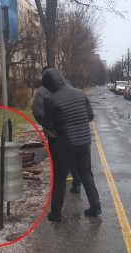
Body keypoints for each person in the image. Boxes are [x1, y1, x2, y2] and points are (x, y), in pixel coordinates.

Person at [42, 68, 101, 222]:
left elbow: (49, 124)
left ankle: (56, 214)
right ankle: (95, 206)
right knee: (86, 173)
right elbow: (90, 115)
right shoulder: (80, 93)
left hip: (65, 143)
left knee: (59, 177)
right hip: (84, 141)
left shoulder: (50, 99)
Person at [31, 67, 82, 194]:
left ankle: (60, 188)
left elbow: (37, 110)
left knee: (57, 161)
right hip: (70, 131)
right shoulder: (68, 85)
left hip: (53, 134)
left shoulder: (42, 91)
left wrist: (48, 124)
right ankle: (77, 184)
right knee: (73, 158)